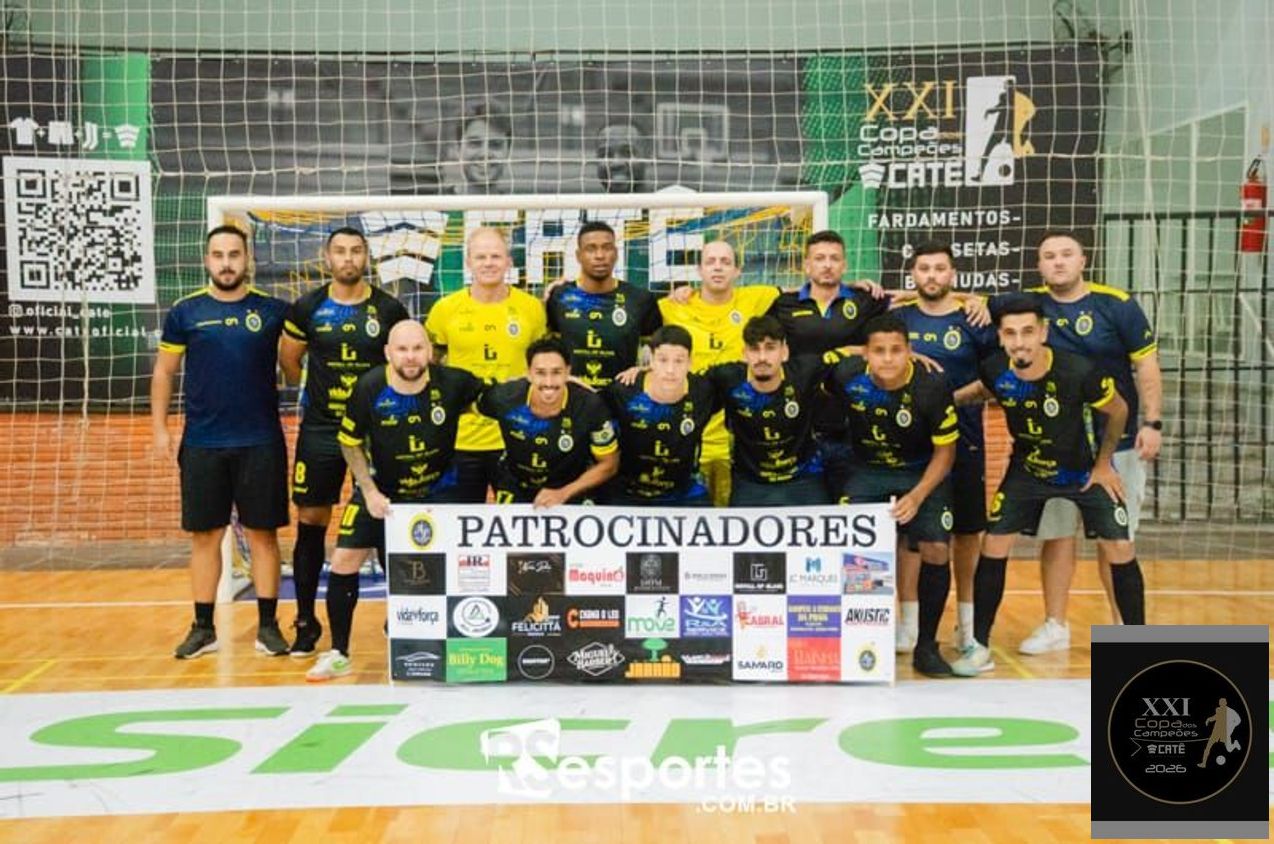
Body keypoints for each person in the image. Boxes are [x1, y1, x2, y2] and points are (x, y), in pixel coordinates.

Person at [950, 296, 1145, 677]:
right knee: (995, 543)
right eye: (1009, 333)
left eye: (1027, 332)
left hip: (1082, 473)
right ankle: (979, 647)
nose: (1019, 342)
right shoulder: (995, 369)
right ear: (1001, 337)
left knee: (1120, 546)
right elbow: (984, 390)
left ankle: (1138, 647)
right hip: (1027, 472)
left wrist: (1104, 463)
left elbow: (1119, 409)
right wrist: (943, 400)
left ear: (1043, 332)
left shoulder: (1079, 370)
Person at [1006, 230, 1162, 654]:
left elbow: (1146, 365)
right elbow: (968, 305)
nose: (1058, 262)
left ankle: (1122, 629)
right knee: (1056, 536)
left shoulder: (1117, 305)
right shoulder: (1028, 306)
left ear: (1083, 260)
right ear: (1039, 266)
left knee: (1117, 539)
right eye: (1049, 256)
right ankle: (1055, 624)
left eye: (1066, 254)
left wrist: (1154, 422)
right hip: (1057, 448)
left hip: (1120, 444)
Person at [306, 321, 485, 681]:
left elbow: (507, 397)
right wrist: (369, 491)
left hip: (436, 493)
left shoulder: (454, 383)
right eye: (402, 349)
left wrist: (566, 386)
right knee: (343, 560)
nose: (411, 357)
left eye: (418, 348)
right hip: (383, 491)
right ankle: (339, 652)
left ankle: (429, 635)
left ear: (430, 352)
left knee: (439, 570)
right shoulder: (369, 387)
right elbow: (349, 441)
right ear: (388, 352)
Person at [152, 225, 292, 660]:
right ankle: (203, 627)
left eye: (234, 254)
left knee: (263, 535)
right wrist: (159, 428)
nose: (227, 262)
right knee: (205, 537)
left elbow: (293, 369)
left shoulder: (273, 311)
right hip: (203, 444)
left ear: (247, 259)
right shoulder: (185, 312)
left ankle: (268, 626)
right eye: (219, 254)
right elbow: (164, 373)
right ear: (206, 260)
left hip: (261, 441)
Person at [279, 227, 411, 658]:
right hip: (321, 429)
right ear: (327, 256)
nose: (348, 258)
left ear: (366, 257)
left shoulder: (389, 308)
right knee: (312, 521)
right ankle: (304, 622)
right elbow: (289, 358)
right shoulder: (308, 306)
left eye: (356, 251)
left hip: (376, 434)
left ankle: (405, 617)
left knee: (385, 520)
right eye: (340, 251)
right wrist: (312, 392)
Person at [827, 315, 960, 676]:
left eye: (896, 351)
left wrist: (917, 496)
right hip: (867, 470)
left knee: (935, 548)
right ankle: (860, 642)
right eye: (879, 351)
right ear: (866, 354)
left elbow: (945, 453)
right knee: (856, 549)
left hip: (921, 471)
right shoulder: (845, 375)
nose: (888, 359)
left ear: (910, 352)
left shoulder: (932, 385)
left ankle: (927, 646)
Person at [891, 241, 999, 655]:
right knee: (910, 534)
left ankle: (967, 625)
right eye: (924, 268)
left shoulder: (975, 318)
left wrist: (949, 401)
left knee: (968, 532)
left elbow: (997, 377)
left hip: (966, 439)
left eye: (939, 268)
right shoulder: (897, 318)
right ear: (913, 275)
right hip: (913, 445)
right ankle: (909, 624)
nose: (931, 275)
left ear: (952, 275)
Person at [424, 226, 548, 503]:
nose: (489, 263)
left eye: (495, 256)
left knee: (519, 532)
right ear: (468, 262)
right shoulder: (445, 310)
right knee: (461, 535)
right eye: (481, 257)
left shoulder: (531, 309)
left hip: (516, 438)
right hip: (461, 440)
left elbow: (545, 364)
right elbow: (427, 369)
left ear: (508, 261)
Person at [765, 230, 891, 499]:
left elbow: (917, 298)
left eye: (834, 258)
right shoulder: (782, 305)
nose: (827, 264)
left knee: (851, 517)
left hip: (852, 428)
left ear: (844, 265)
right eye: (819, 258)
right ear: (806, 265)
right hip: (800, 428)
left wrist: (971, 299)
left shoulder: (865, 300)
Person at [656, 241, 780, 506]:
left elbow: (811, 292)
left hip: (737, 441)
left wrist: (859, 288)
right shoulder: (671, 308)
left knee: (732, 528)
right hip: (689, 436)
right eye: (710, 262)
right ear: (699, 270)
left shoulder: (757, 298)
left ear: (738, 271)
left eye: (725, 262)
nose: (718, 268)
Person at [475, 337, 619, 505]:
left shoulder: (590, 405)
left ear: (568, 372)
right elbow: (466, 405)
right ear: (528, 373)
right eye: (541, 373)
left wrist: (563, 493)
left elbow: (609, 464)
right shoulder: (504, 397)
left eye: (556, 372)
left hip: (570, 488)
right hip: (516, 484)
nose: (549, 383)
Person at [704, 316, 830, 506]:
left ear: (784, 352)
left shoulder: (806, 371)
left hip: (804, 478)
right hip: (750, 482)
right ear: (744, 353)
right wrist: (643, 376)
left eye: (770, 348)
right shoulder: (726, 378)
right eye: (754, 349)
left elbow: (852, 355)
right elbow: (684, 384)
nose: (762, 357)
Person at [604, 325, 721, 506]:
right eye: (663, 360)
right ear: (650, 360)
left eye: (679, 361)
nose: (670, 370)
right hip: (628, 493)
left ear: (690, 362)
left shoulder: (704, 391)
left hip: (683, 494)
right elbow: (587, 405)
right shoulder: (624, 390)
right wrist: (568, 381)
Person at [545, 220, 662, 387]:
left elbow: (658, 356)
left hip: (621, 399)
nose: (600, 255)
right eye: (591, 248)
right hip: (574, 399)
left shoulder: (640, 299)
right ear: (578, 256)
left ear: (616, 253)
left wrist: (643, 371)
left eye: (607, 248)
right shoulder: (559, 297)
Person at [452, 101, 512, 194]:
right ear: (458, 150)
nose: (485, 154)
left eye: (495, 145)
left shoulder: (520, 208)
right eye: (475, 143)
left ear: (508, 152)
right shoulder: (433, 206)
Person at [596, 121, 649, 193]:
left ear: (648, 158)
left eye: (627, 153)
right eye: (605, 155)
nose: (616, 163)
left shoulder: (668, 202)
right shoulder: (581, 203)